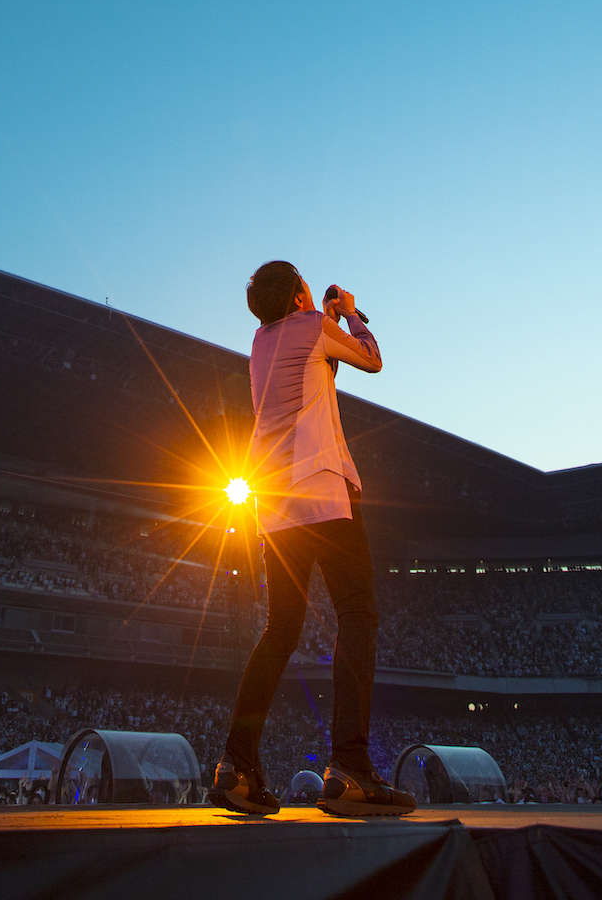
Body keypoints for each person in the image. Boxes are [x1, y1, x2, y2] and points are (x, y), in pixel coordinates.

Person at [209, 262, 415, 818]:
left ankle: (236, 766)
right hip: (321, 486)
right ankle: (349, 764)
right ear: (300, 294)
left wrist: (322, 318)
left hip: (273, 503)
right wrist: (348, 312)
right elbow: (370, 360)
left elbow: (317, 372)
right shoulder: (313, 327)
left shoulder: (260, 343)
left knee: (281, 628)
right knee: (358, 613)